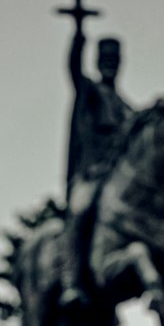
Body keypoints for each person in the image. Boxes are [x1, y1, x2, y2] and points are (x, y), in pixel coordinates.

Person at [62, 31, 134, 304]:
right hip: (90, 176)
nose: (110, 64)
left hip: (117, 181)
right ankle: (70, 280)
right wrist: (78, 39)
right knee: (79, 211)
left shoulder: (125, 107)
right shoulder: (89, 92)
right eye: (105, 59)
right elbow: (73, 69)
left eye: (114, 60)